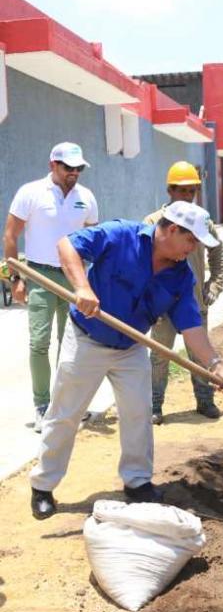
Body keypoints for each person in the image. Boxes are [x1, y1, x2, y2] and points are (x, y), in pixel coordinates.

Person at [28, 202, 223, 519]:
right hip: (86, 338)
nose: (193, 249)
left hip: (132, 346)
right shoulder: (120, 235)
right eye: (191, 241)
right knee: (65, 413)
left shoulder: (181, 276)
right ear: (172, 230)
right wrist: (82, 287)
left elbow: (192, 328)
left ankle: (137, 482)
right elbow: (67, 244)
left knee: (138, 413)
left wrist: (215, 365)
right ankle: (43, 487)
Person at [3, 143, 100, 426]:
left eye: (78, 168)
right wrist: (15, 279)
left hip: (73, 279)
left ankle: (68, 405)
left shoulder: (87, 197)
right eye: (68, 167)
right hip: (40, 276)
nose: (73, 173)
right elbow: (10, 236)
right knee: (39, 342)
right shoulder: (30, 193)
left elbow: (93, 238)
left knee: (73, 343)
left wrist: (89, 283)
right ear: (52, 165)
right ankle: (43, 405)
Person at [144, 162, 223, 424]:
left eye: (192, 191)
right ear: (170, 190)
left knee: (199, 355)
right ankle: (154, 405)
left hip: (194, 300)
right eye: (181, 191)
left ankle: (205, 401)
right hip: (161, 306)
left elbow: (218, 253)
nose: (187, 196)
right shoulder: (153, 222)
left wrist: (215, 284)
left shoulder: (202, 221)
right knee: (159, 355)